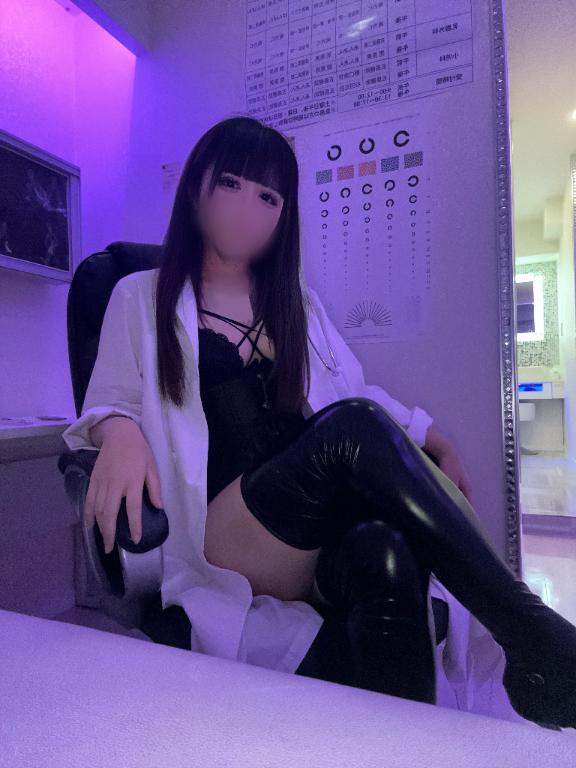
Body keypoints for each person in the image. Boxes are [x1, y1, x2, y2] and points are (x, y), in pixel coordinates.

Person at [63, 115, 576, 729]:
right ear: (195, 188)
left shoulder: (295, 304)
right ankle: (533, 634)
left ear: (284, 215)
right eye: (230, 183)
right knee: (351, 428)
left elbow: (354, 389)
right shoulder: (139, 296)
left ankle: (409, 744)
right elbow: (110, 399)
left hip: (305, 535)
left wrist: (431, 435)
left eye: (269, 197)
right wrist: (118, 431)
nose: (248, 208)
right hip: (222, 535)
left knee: (386, 553)